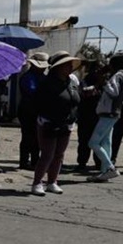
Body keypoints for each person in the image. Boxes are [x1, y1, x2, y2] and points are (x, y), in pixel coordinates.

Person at [31, 53, 81, 196]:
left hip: (66, 123)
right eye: (67, 64)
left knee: (59, 154)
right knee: (47, 154)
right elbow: (37, 104)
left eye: (71, 64)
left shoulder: (71, 82)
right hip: (49, 123)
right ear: (58, 67)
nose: (70, 67)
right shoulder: (47, 83)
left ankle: (52, 182)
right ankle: (37, 183)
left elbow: (75, 100)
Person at [87, 55, 123, 181]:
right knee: (106, 142)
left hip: (109, 112)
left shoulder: (118, 75)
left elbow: (114, 92)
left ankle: (110, 168)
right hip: (113, 113)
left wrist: (104, 82)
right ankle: (105, 171)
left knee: (93, 142)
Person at [16, 52, 48, 170]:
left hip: (38, 111)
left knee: (37, 138)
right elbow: (32, 91)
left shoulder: (43, 77)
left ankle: (35, 161)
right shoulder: (27, 77)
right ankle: (24, 162)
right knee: (27, 137)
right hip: (28, 111)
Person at [74, 60, 105, 173]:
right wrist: (97, 84)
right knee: (84, 141)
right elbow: (86, 93)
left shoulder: (106, 82)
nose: (98, 71)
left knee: (99, 141)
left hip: (100, 116)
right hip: (86, 115)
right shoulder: (85, 81)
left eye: (100, 69)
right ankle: (82, 163)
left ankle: (99, 163)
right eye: (96, 69)